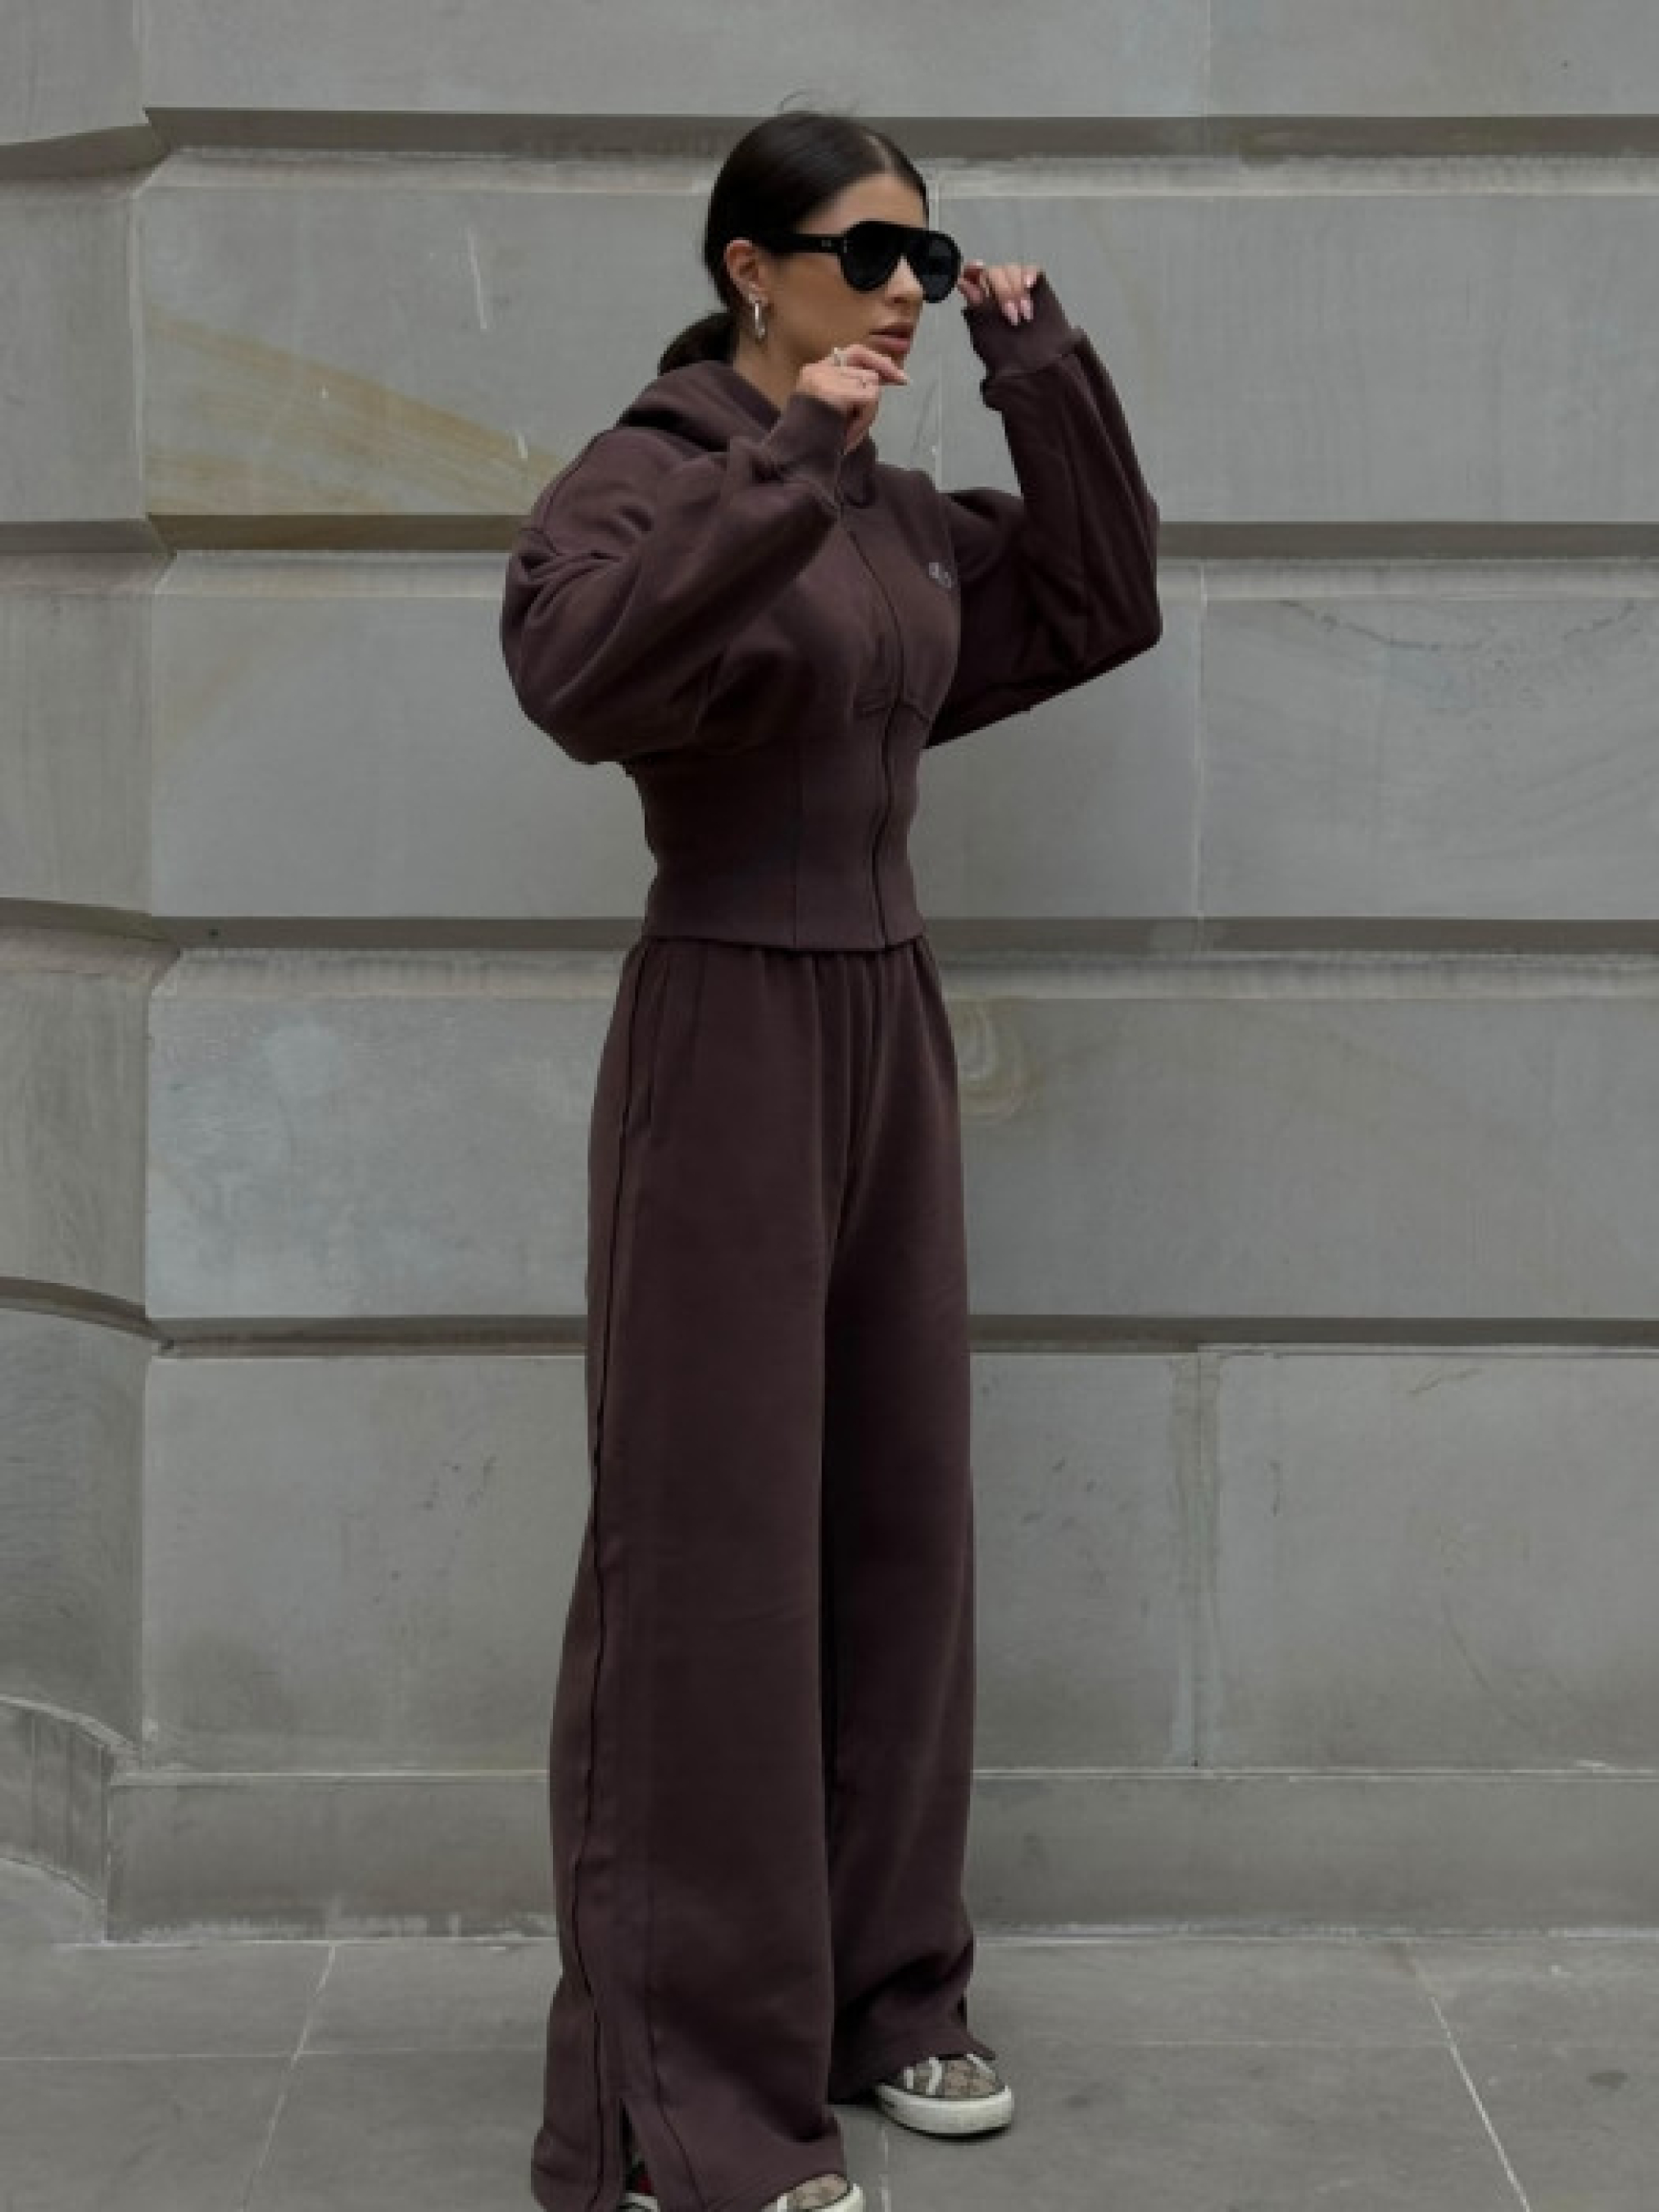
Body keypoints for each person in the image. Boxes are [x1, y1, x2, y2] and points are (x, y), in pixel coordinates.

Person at [499, 107, 1162, 2212]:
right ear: (747, 268)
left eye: (924, 256)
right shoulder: (654, 474)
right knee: (708, 1558)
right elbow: (571, 672)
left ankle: (888, 1994)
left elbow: (1095, 601)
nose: (901, 289)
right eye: (865, 253)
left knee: (896, 1529)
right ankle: (686, 2095)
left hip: (886, 1023)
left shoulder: (888, 509)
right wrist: (788, 461)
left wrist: (1036, 368)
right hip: (723, 1025)